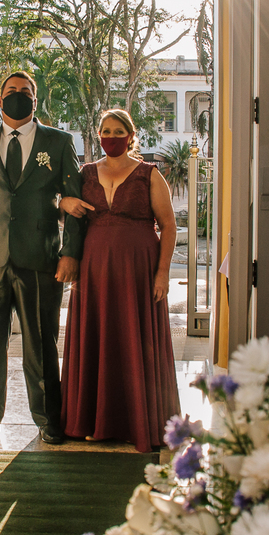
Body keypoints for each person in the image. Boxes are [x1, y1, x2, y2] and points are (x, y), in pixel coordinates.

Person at [0, 71, 84, 445]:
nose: (18, 96)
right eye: (12, 92)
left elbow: (74, 203)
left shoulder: (58, 142)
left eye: (26, 92)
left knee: (41, 344)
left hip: (40, 258)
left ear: (35, 101)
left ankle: (48, 418)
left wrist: (70, 253)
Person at [58, 109, 181, 452]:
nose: (111, 137)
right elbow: (65, 207)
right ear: (98, 136)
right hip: (95, 270)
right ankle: (91, 421)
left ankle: (137, 423)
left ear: (130, 135)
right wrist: (63, 201)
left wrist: (162, 272)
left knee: (134, 337)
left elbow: (168, 226)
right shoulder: (85, 173)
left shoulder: (149, 174)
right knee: (98, 338)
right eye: (105, 132)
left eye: (117, 131)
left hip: (139, 271)